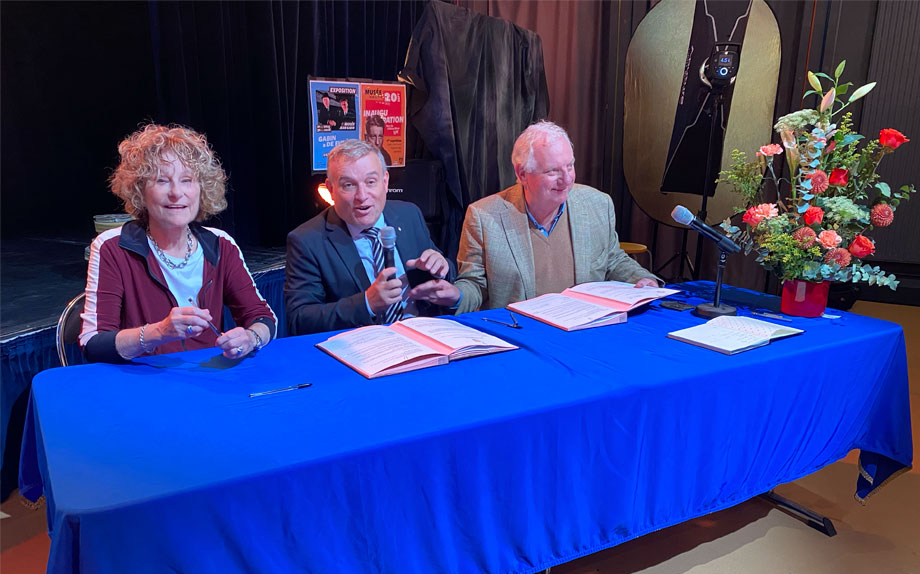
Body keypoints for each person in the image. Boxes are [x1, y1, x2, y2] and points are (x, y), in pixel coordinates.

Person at [413, 121, 661, 312]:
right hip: (522, 342)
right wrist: (456, 296)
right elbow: (476, 286)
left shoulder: (597, 204)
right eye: (553, 171)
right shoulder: (484, 216)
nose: (567, 179)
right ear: (522, 174)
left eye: (570, 166)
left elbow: (613, 260)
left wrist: (643, 279)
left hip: (587, 336)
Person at [80, 124, 277, 363]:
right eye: (162, 180)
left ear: (201, 189)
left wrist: (251, 337)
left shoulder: (221, 244)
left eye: (187, 180)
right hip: (142, 381)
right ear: (140, 191)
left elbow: (263, 318)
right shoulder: (112, 247)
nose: (176, 193)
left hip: (208, 377)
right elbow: (93, 344)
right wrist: (159, 332)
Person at [285, 139, 454, 335]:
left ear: (385, 181)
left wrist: (442, 268)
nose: (362, 196)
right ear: (331, 189)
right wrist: (366, 303)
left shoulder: (409, 215)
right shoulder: (307, 240)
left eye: (371, 182)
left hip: (424, 335)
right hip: (362, 347)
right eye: (349, 185)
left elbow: (444, 272)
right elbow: (299, 318)